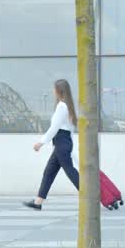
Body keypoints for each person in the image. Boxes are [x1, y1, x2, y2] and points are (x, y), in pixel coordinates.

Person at [23, 79, 79, 210]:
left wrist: (40, 143)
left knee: (71, 172)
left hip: (61, 143)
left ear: (59, 91)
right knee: (49, 172)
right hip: (63, 143)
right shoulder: (68, 106)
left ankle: (91, 196)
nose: (52, 91)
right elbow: (69, 130)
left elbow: (54, 128)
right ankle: (38, 202)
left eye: (54, 89)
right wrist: (68, 145)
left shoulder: (61, 107)